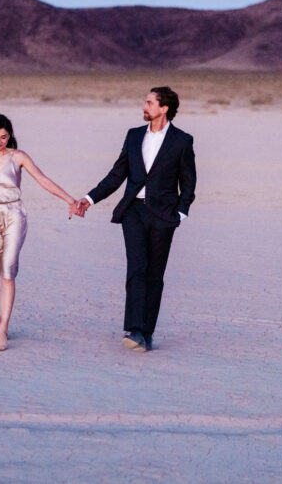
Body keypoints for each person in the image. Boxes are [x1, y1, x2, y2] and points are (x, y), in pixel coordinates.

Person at [74, 87, 196, 352]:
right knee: (137, 268)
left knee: (155, 274)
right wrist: (89, 199)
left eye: (149, 102)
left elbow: (189, 182)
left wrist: (181, 213)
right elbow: (116, 175)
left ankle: (147, 332)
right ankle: (134, 329)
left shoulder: (182, 141)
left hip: (164, 215)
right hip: (134, 212)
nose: (144, 106)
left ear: (163, 108)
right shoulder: (133, 135)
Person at [0, 114, 77, 352]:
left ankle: (3, 330)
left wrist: (69, 200)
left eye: (4, 136)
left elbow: (42, 179)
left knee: (8, 270)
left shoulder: (18, 157)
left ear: (10, 135)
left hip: (14, 214)